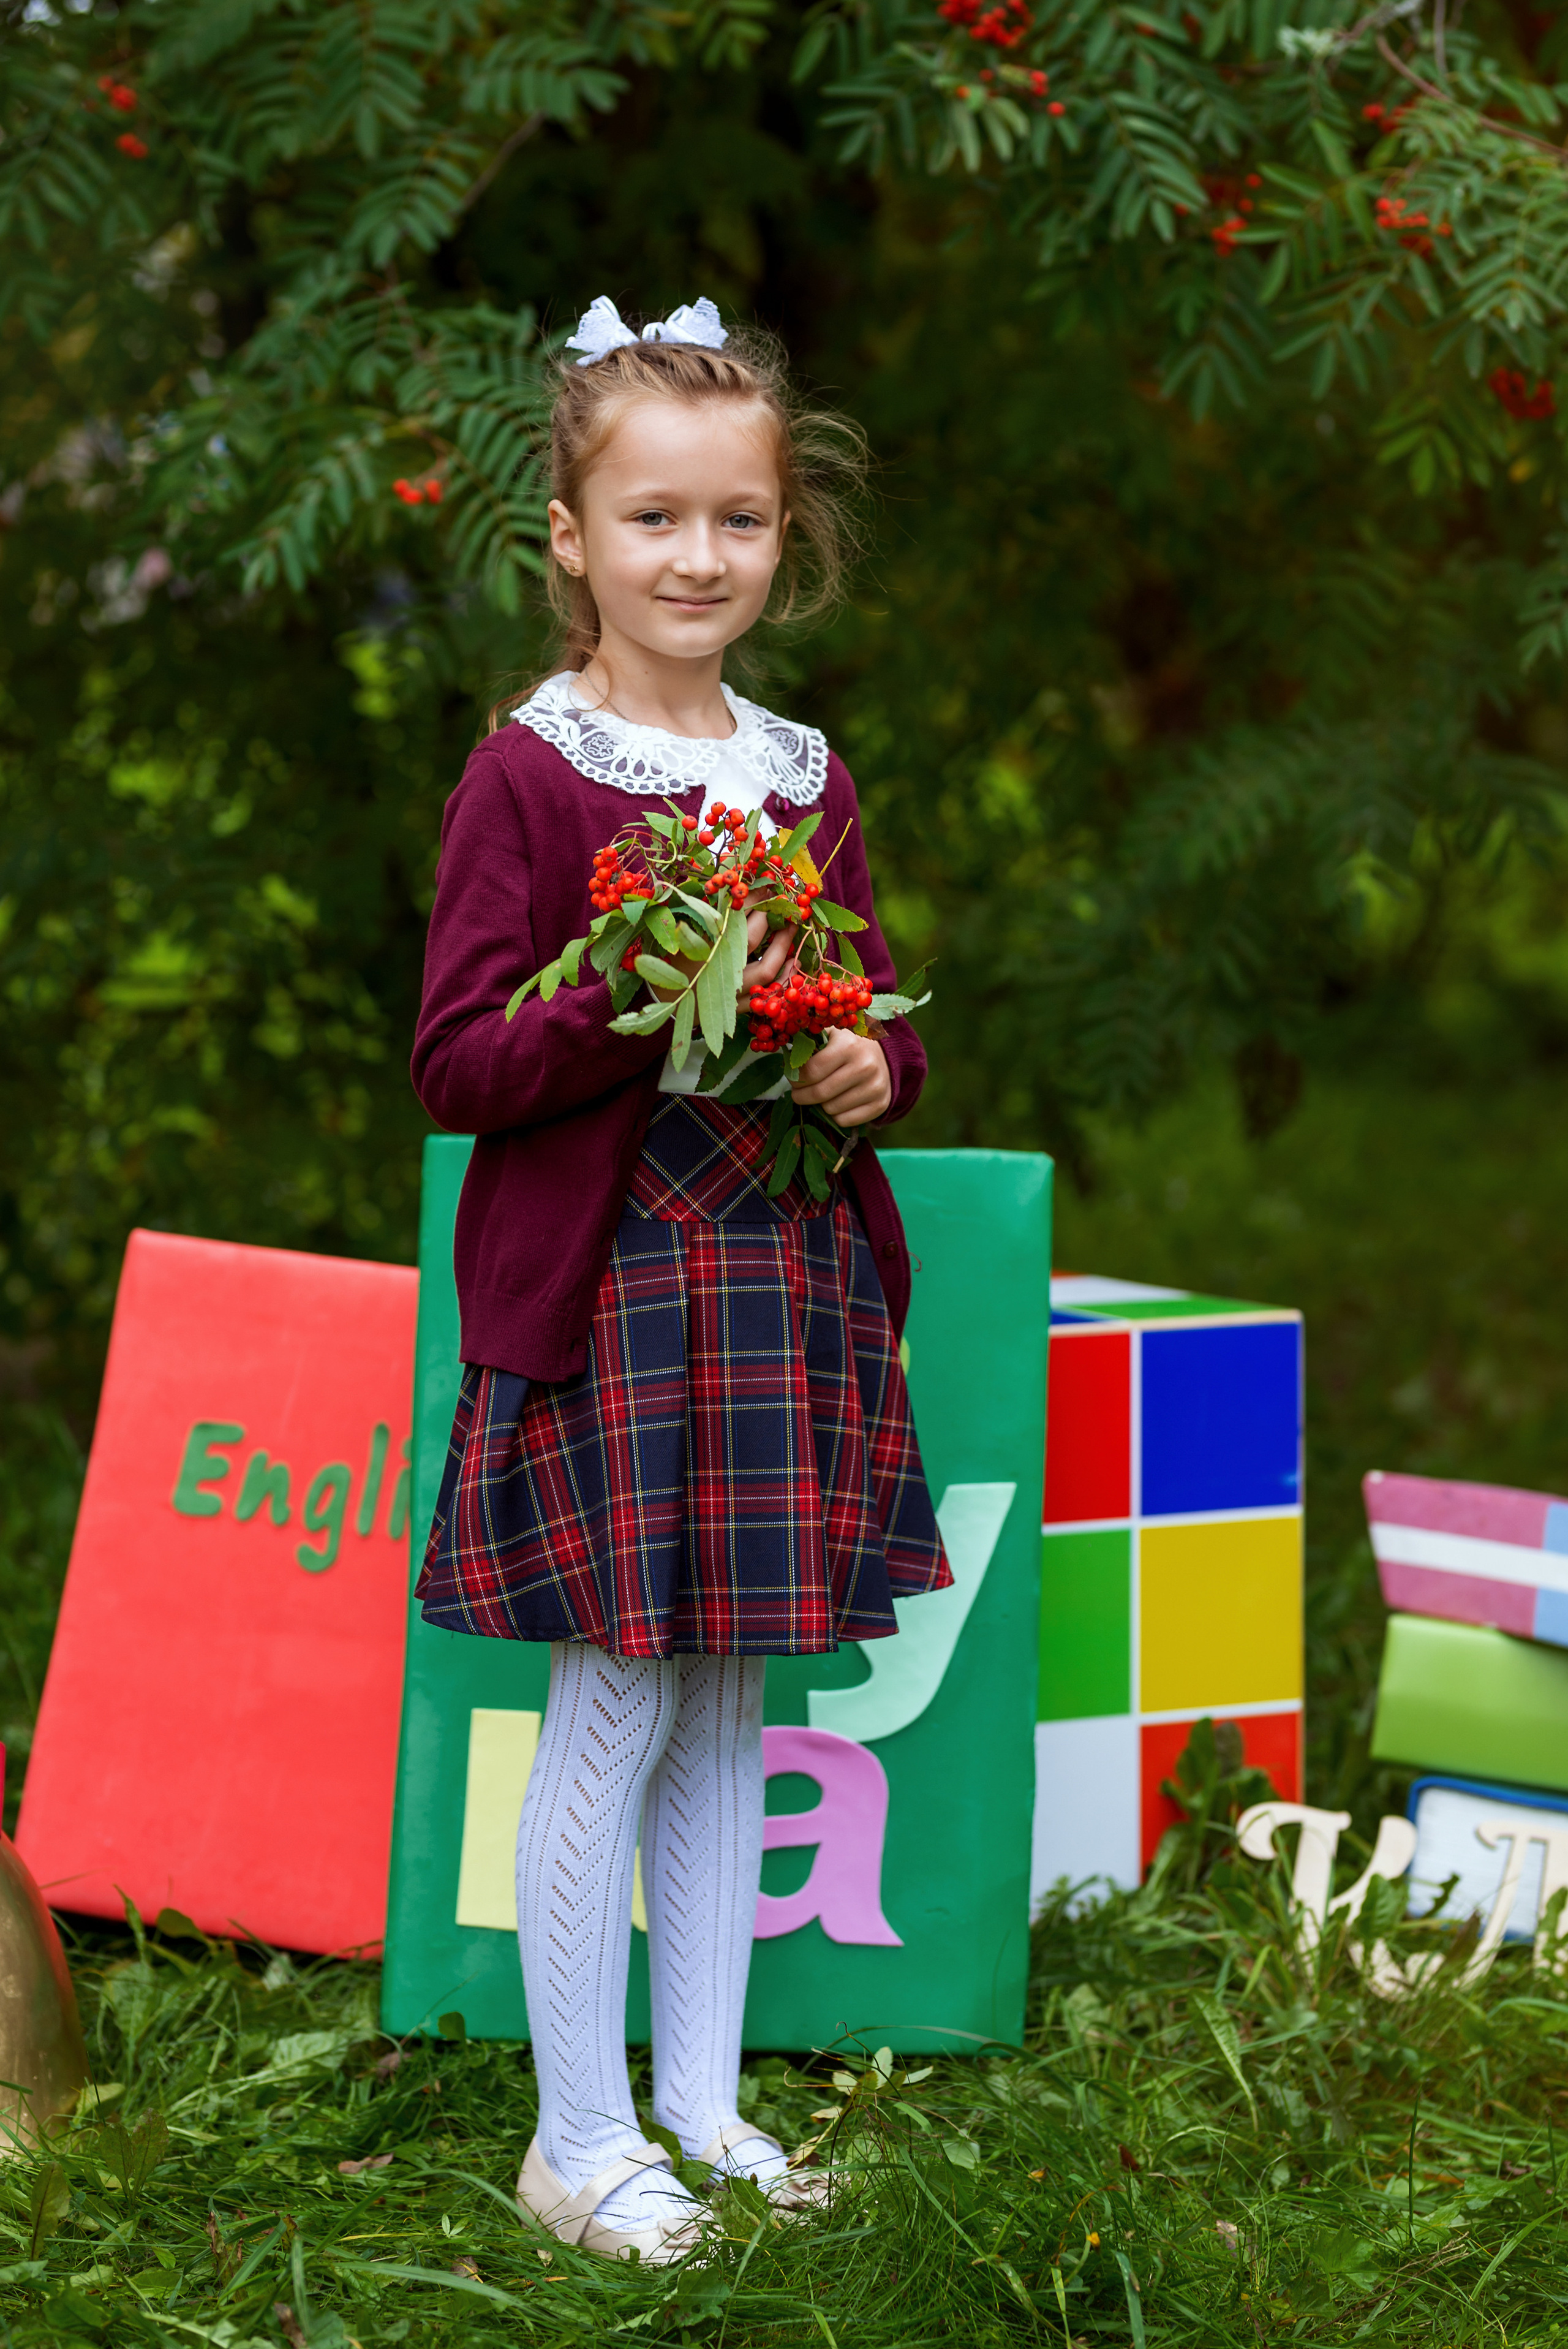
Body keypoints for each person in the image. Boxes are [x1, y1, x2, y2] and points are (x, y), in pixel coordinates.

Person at [410, 294, 951, 2264]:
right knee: (617, 1699)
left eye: (735, 521)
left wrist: (866, 1060)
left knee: (734, 1701)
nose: (695, 559)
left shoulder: (804, 770)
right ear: (574, 535)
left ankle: (702, 2105)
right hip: (621, 1279)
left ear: (781, 533)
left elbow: (872, 1002)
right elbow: (461, 1055)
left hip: (777, 1270)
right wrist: (635, 1006)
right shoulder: (533, 780)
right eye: (654, 521)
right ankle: (577, 2138)